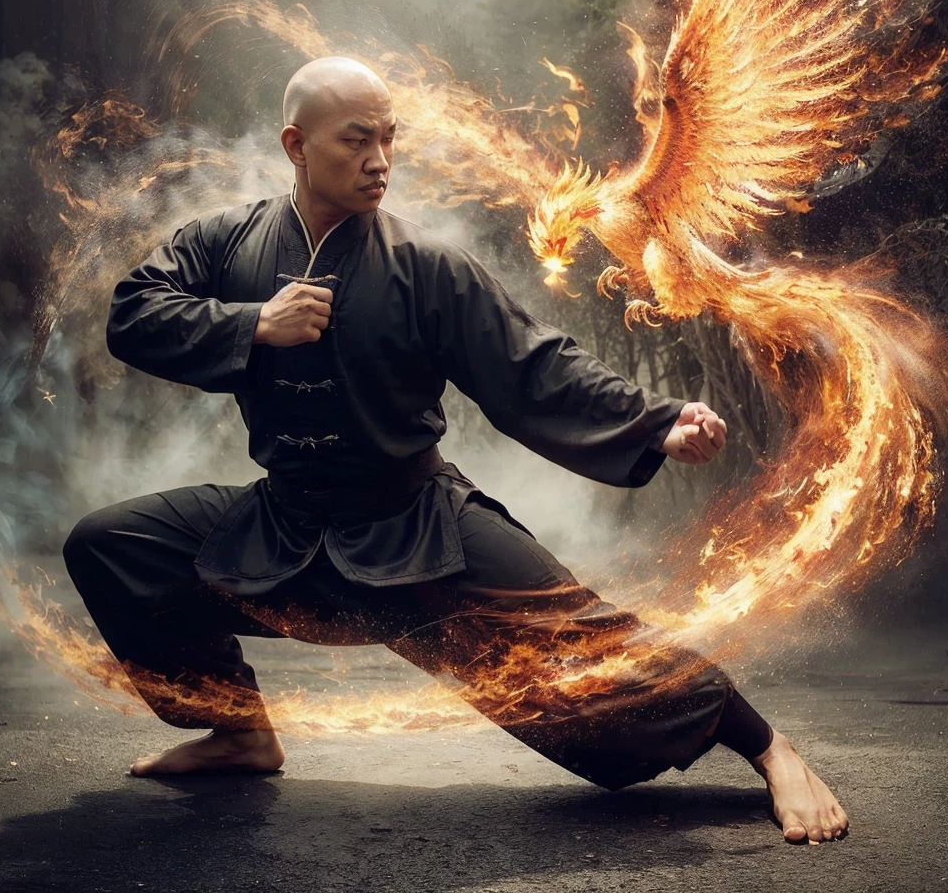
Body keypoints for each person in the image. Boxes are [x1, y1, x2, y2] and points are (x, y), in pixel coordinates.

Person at [63, 57, 848, 844]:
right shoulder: (225, 240)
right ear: (296, 145)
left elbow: (533, 368)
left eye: (390, 140)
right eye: (357, 139)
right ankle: (237, 733)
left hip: (419, 531)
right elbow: (134, 313)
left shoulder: (426, 267)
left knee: (594, 653)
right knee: (113, 546)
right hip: (287, 532)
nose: (380, 160)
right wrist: (251, 326)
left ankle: (771, 750)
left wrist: (656, 424)